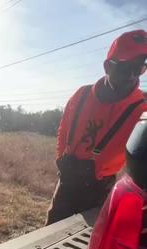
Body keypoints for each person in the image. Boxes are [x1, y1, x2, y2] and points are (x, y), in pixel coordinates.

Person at [46, 29, 147, 225]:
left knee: (87, 241)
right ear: (107, 66)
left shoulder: (142, 108)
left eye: (140, 68)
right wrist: (61, 158)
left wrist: (100, 170)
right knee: (49, 233)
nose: (133, 76)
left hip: (100, 187)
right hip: (68, 176)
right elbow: (64, 129)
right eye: (125, 68)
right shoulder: (81, 95)